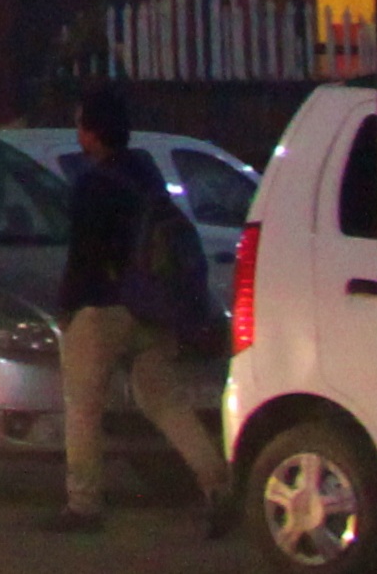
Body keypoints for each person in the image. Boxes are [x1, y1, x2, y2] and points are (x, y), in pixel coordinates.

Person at [47, 83, 228, 536]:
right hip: (154, 308)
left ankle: (84, 505)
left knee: (83, 407)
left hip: (103, 309)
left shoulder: (92, 185)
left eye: (80, 124)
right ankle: (219, 486)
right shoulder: (146, 175)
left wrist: (68, 307)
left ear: (91, 132)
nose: (78, 132)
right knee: (165, 402)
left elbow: (84, 257)